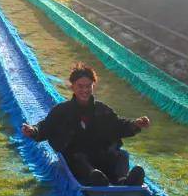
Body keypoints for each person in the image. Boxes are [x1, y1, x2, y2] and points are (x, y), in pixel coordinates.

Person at [21, 63, 150, 187]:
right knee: (79, 158)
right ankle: (95, 178)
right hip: (78, 160)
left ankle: (124, 181)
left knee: (122, 155)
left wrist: (135, 124)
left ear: (93, 86)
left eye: (88, 86)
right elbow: (46, 126)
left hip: (101, 156)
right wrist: (34, 130)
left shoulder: (102, 110)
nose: (85, 90)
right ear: (72, 87)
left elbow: (118, 125)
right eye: (80, 86)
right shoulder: (62, 111)